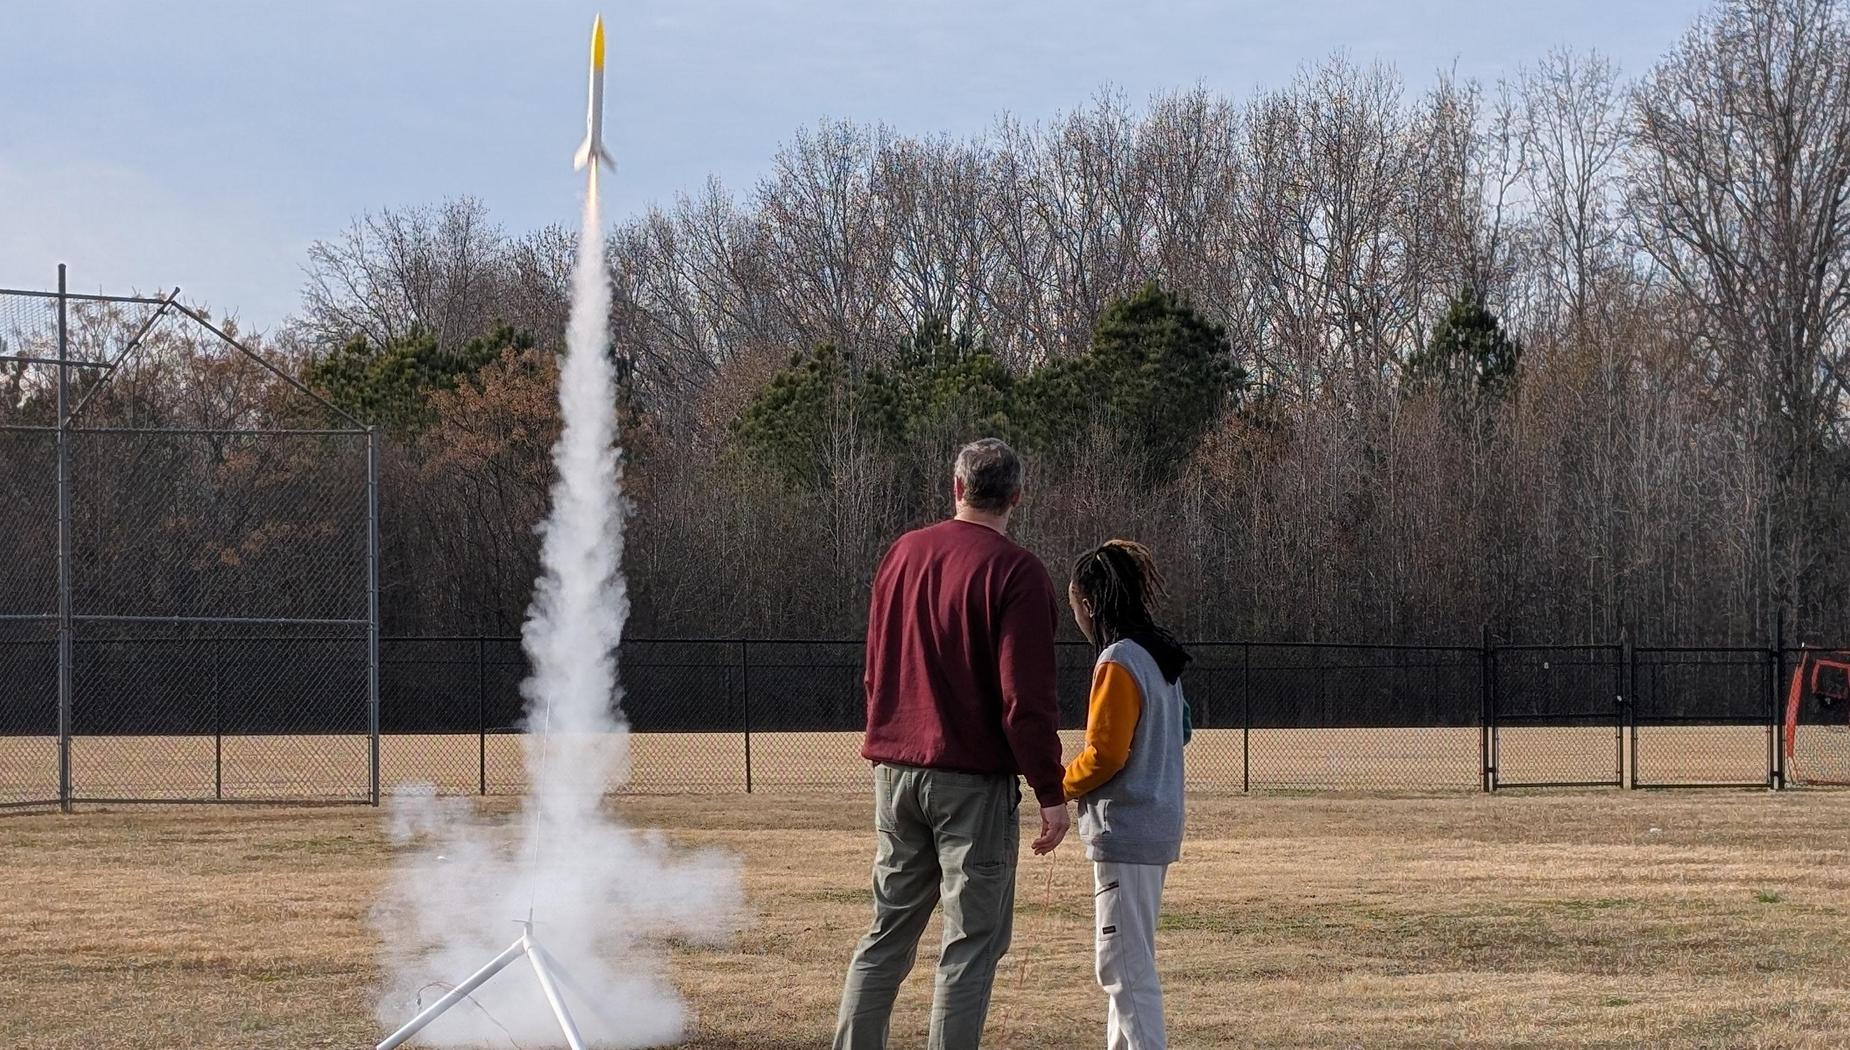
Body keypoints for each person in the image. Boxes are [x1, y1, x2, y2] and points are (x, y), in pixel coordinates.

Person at [834, 437, 1071, 1050]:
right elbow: (1026, 701)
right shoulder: (1016, 572)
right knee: (970, 946)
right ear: (1016, 496)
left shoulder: (903, 554)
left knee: (887, 934)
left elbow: (875, 667)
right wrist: (1051, 790)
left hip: (895, 769)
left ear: (956, 487)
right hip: (971, 780)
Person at [1062, 540, 1192, 1050]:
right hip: (1156, 826)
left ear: (1090, 605)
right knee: (1129, 962)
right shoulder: (1160, 658)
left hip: (1127, 830)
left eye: (1072, 604)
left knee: (1122, 967)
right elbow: (1180, 730)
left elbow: (1105, 755)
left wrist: (1058, 782)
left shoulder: (1118, 661)